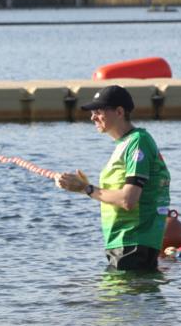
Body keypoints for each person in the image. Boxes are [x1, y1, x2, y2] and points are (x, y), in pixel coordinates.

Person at [55, 85, 171, 271]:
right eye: (92, 112)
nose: (93, 117)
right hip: (123, 242)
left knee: (116, 298)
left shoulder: (137, 142)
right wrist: (83, 187)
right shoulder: (125, 143)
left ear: (119, 112)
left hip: (133, 243)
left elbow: (128, 199)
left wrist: (86, 188)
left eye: (99, 111)